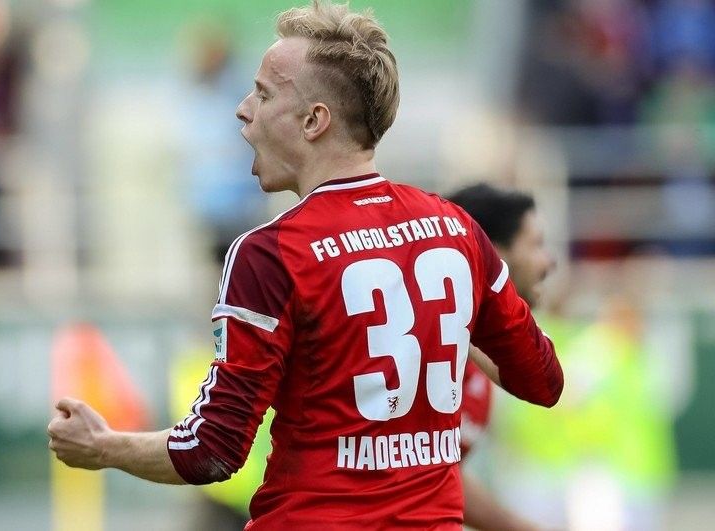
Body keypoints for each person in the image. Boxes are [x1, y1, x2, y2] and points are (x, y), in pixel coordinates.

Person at [47, 2, 563, 528]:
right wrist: (442, 323)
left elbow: (213, 449)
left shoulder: (271, 253)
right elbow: (543, 381)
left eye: (264, 94)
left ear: (314, 121)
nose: (243, 109)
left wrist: (103, 446)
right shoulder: (455, 228)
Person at [447, 183, 556, 531]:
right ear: (493, 254)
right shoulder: (431, 350)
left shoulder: (480, 356)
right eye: (536, 245)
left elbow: (441, 474)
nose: (549, 262)